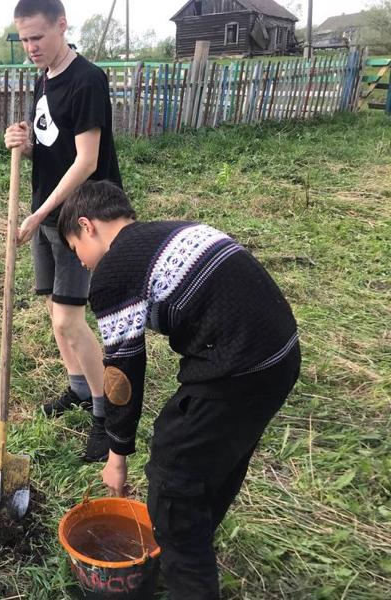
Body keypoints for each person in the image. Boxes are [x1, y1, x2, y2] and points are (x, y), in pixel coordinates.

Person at [58, 180, 301, 599]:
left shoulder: (115, 268)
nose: (81, 264)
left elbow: (122, 374)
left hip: (236, 366)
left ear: (88, 225)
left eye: (75, 248)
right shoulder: (171, 232)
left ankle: (186, 563)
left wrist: (117, 456)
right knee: (214, 462)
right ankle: (188, 545)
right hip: (280, 357)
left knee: (174, 476)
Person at [4, 0, 123, 462]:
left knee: (68, 319)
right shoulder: (45, 77)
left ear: (61, 25)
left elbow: (87, 161)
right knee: (55, 309)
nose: (31, 46)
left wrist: (39, 215)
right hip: (48, 212)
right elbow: (54, 149)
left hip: (81, 218)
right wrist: (24, 145)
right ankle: (78, 388)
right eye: (24, 39)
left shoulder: (87, 79)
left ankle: (104, 413)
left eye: (38, 36)